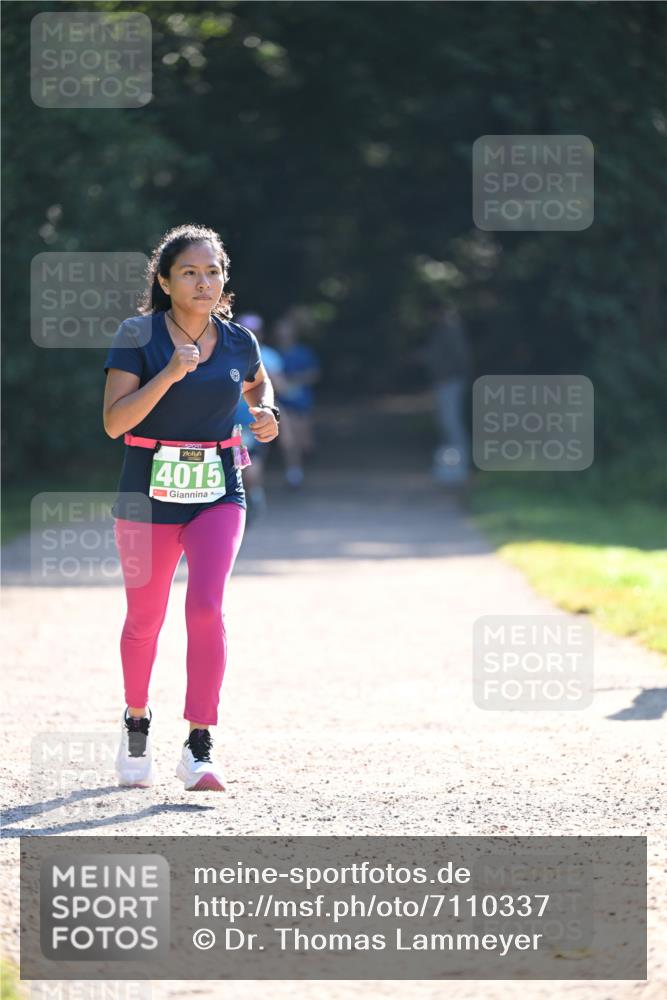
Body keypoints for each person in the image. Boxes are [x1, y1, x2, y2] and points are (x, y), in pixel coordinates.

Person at [102, 223, 280, 792]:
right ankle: (136, 721)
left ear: (224, 279)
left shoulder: (238, 341)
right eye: (189, 272)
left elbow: (256, 384)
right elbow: (114, 422)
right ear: (164, 279)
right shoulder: (139, 335)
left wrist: (267, 411)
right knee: (145, 619)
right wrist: (171, 373)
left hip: (219, 492)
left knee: (206, 608)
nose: (204, 282)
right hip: (145, 495)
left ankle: (199, 746)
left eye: (213, 271)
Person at [231, 313, 288, 520]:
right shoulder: (223, 352)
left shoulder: (269, 356)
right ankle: (243, 502)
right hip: (227, 425)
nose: (251, 333)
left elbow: (281, 387)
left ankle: (255, 496)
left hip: (252, 423)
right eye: (246, 328)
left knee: (251, 468)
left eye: (255, 330)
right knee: (237, 468)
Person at [425, 303, 472, 486]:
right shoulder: (444, 329)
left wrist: (451, 376)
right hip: (446, 382)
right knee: (446, 423)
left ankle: (459, 468)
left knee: (451, 424)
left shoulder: (451, 330)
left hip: (451, 383)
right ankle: (450, 467)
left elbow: (461, 357)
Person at [274, 309, 320, 487]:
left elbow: (315, 374)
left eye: (286, 329)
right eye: (280, 330)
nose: (283, 333)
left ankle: (302, 460)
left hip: (302, 402)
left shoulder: (304, 352)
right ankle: (293, 472)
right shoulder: (274, 354)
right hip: (283, 404)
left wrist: (296, 380)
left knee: (304, 442)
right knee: (289, 439)